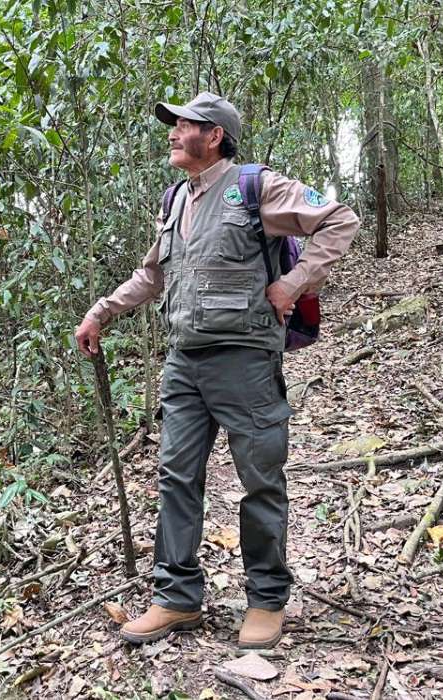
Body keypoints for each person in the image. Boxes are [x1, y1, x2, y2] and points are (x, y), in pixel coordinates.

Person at [75, 92, 359, 650]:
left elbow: (339, 220)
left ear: (215, 135)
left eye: (185, 126)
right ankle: (176, 598)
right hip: (183, 363)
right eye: (175, 125)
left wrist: (293, 282)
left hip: (246, 361)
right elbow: (152, 274)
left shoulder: (257, 187)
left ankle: (266, 598)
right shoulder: (175, 198)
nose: (174, 134)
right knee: (176, 478)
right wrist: (102, 310)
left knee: (260, 480)